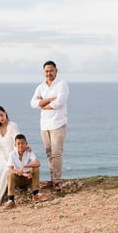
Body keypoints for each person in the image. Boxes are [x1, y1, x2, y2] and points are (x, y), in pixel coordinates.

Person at [30, 60, 69, 192]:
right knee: (49, 154)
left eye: (51, 70)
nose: (49, 73)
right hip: (44, 125)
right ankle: (52, 179)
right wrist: (48, 99)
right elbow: (33, 103)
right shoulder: (41, 87)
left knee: (56, 154)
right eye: (46, 71)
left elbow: (59, 102)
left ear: (56, 71)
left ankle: (57, 181)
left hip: (58, 124)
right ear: (43, 72)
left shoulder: (62, 84)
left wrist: (43, 105)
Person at [3, 134, 49, 210]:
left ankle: (36, 194)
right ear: (15, 145)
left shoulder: (29, 152)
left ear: (26, 144)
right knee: (10, 175)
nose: (20, 145)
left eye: (23, 143)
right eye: (18, 144)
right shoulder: (12, 154)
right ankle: (11, 200)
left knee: (35, 168)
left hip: (28, 178)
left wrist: (24, 166)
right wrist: (24, 174)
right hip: (19, 179)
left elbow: (38, 163)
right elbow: (10, 169)